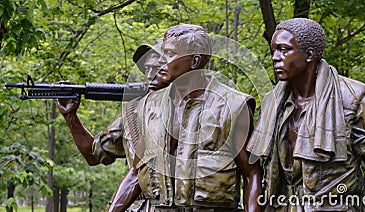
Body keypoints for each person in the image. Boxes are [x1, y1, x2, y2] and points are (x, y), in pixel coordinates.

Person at [247, 18, 365, 211]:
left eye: (284, 50)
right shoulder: (272, 103)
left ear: (309, 54)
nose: (275, 57)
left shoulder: (355, 99)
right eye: (274, 50)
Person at [112, 23, 262, 212]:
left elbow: (252, 174)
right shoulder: (149, 105)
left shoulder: (233, 107)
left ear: (194, 61)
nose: (161, 61)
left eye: (170, 54)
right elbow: (135, 172)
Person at [57, 39, 169, 211]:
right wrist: (71, 116)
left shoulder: (199, 110)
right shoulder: (133, 113)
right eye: (146, 68)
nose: (149, 75)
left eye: (158, 68)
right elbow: (94, 155)